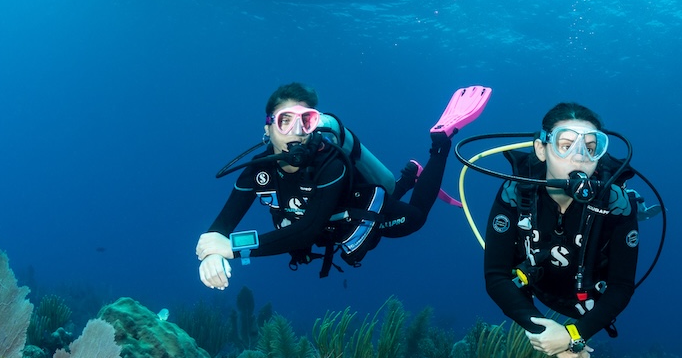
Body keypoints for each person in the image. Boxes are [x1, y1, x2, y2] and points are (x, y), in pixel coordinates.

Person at [197, 82, 488, 289]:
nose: (296, 132)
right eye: (285, 121)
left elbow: (307, 230)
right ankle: (409, 177)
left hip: (358, 210)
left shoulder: (330, 164)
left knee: (414, 220)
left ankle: (440, 142)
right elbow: (220, 228)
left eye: (306, 121)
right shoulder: (257, 171)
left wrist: (231, 249)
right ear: (268, 128)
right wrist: (211, 253)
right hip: (328, 224)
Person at [484, 103, 640, 358]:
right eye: (566, 145)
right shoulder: (515, 192)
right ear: (541, 150)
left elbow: (621, 287)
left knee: (633, 205)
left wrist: (574, 334)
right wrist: (545, 333)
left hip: (585, 300)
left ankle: (642, 205)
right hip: (537, 288)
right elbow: (496, 276)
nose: (580, 157)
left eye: (590, 148)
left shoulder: (617, 203)